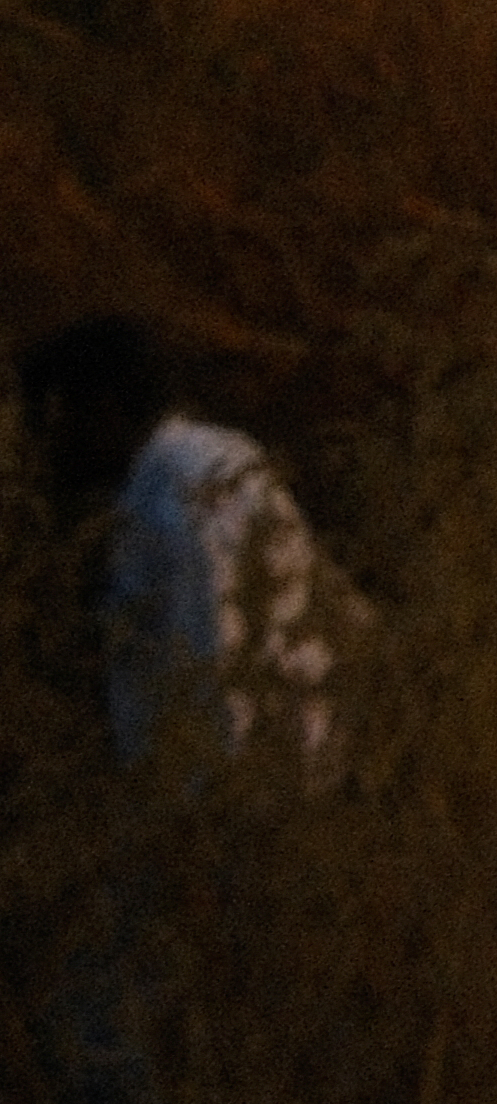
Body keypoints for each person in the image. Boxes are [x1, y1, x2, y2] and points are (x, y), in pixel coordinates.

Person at [20, 311, 338, 774]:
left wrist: (209, 807)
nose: (45, 446)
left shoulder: (179, 483)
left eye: (52, 420)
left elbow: (214, 652)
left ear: (101, 409)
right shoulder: (201, 465)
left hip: (249, 793)